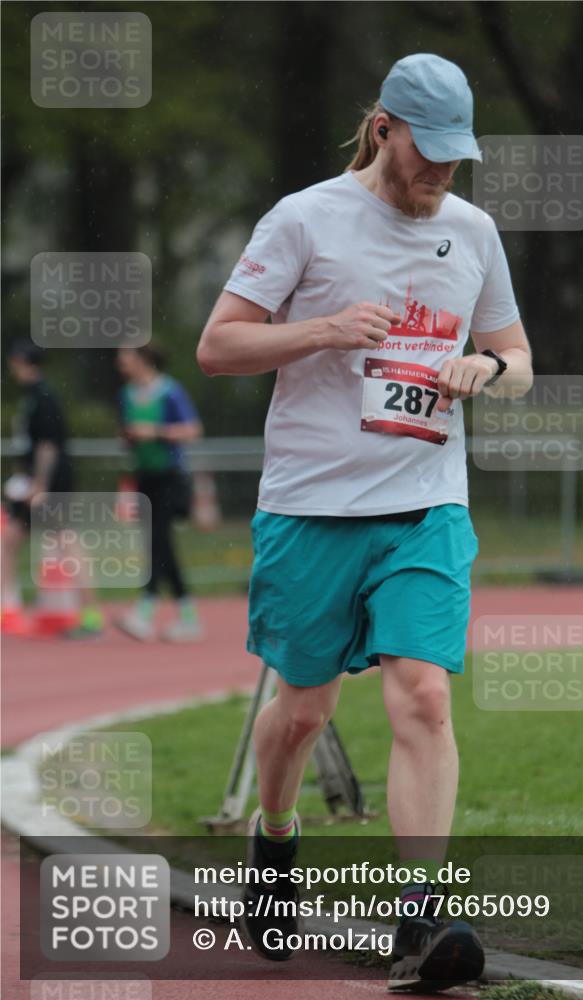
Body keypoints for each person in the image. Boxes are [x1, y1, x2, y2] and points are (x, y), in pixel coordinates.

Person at [198, 53, 533, 991]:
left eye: (456, 160)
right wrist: (321, 329)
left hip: (424, 501)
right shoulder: (303, 218)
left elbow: (516, 352)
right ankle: (274, 841)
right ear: (383, 128)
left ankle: (420, 922)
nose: (440, 176)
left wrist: (488, 371)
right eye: (428, 155)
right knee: (301, 714)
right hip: (309, 506)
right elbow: (218, 345)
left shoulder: (471, 230)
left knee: (423, 694)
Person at [1, 340, 103, 638]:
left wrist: (40, 485)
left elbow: (48, 444)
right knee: (9, 542)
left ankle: (91, 615)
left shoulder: (45, 396)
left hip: (49, 486)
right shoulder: (31, 396)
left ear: (23, 362)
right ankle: (9, 612)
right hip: (34, 484)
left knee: (68, 545)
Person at [115, 344, 204, 642]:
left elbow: (192, 430)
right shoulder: (125, 393)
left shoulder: (169, 391)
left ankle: (146, 610)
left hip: (170, 477)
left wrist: (153, 431)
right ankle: (187, 614)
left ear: (143, 360)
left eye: (125, 357)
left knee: (158, 540)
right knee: (161, 544)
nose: (120, 363)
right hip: (144, 476)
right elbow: (127, 432)